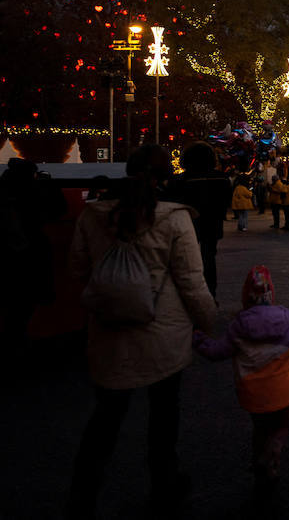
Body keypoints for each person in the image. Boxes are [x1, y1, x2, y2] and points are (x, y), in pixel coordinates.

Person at [66, 144, 218, 518]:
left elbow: (77, 270)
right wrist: (207, 321)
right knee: (164, 415)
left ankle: (83, 491)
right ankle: (164, 483)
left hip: (109, 331)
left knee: (106, 416)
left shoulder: (93, 216)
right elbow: (191, 282)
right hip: (163, 334)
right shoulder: (175, 218)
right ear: (167, 176)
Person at [192, 265, 289, 507]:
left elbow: (217, 351)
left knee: (259, 428)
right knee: (281, 426)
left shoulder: (239, 325)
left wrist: (197, 338)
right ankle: (273, 454)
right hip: (283, 390)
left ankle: (260, 458)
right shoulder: (287, 319)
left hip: (252, 392)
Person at [0, 158, 64, 367]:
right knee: (22, 308)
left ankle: (14, 347)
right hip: (28, 259)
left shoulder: (8, 194)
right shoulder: (31, 195)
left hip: (14, 260)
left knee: (16, 309)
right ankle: (17, 349)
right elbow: (57, 210)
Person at [165, 141, 232, 298]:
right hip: (213, 222)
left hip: (188, 224)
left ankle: (189, 293)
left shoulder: (180, 180)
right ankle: (210, 293)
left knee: (186, 259)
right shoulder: (222, 179)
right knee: (209, 258)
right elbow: (225, 201)